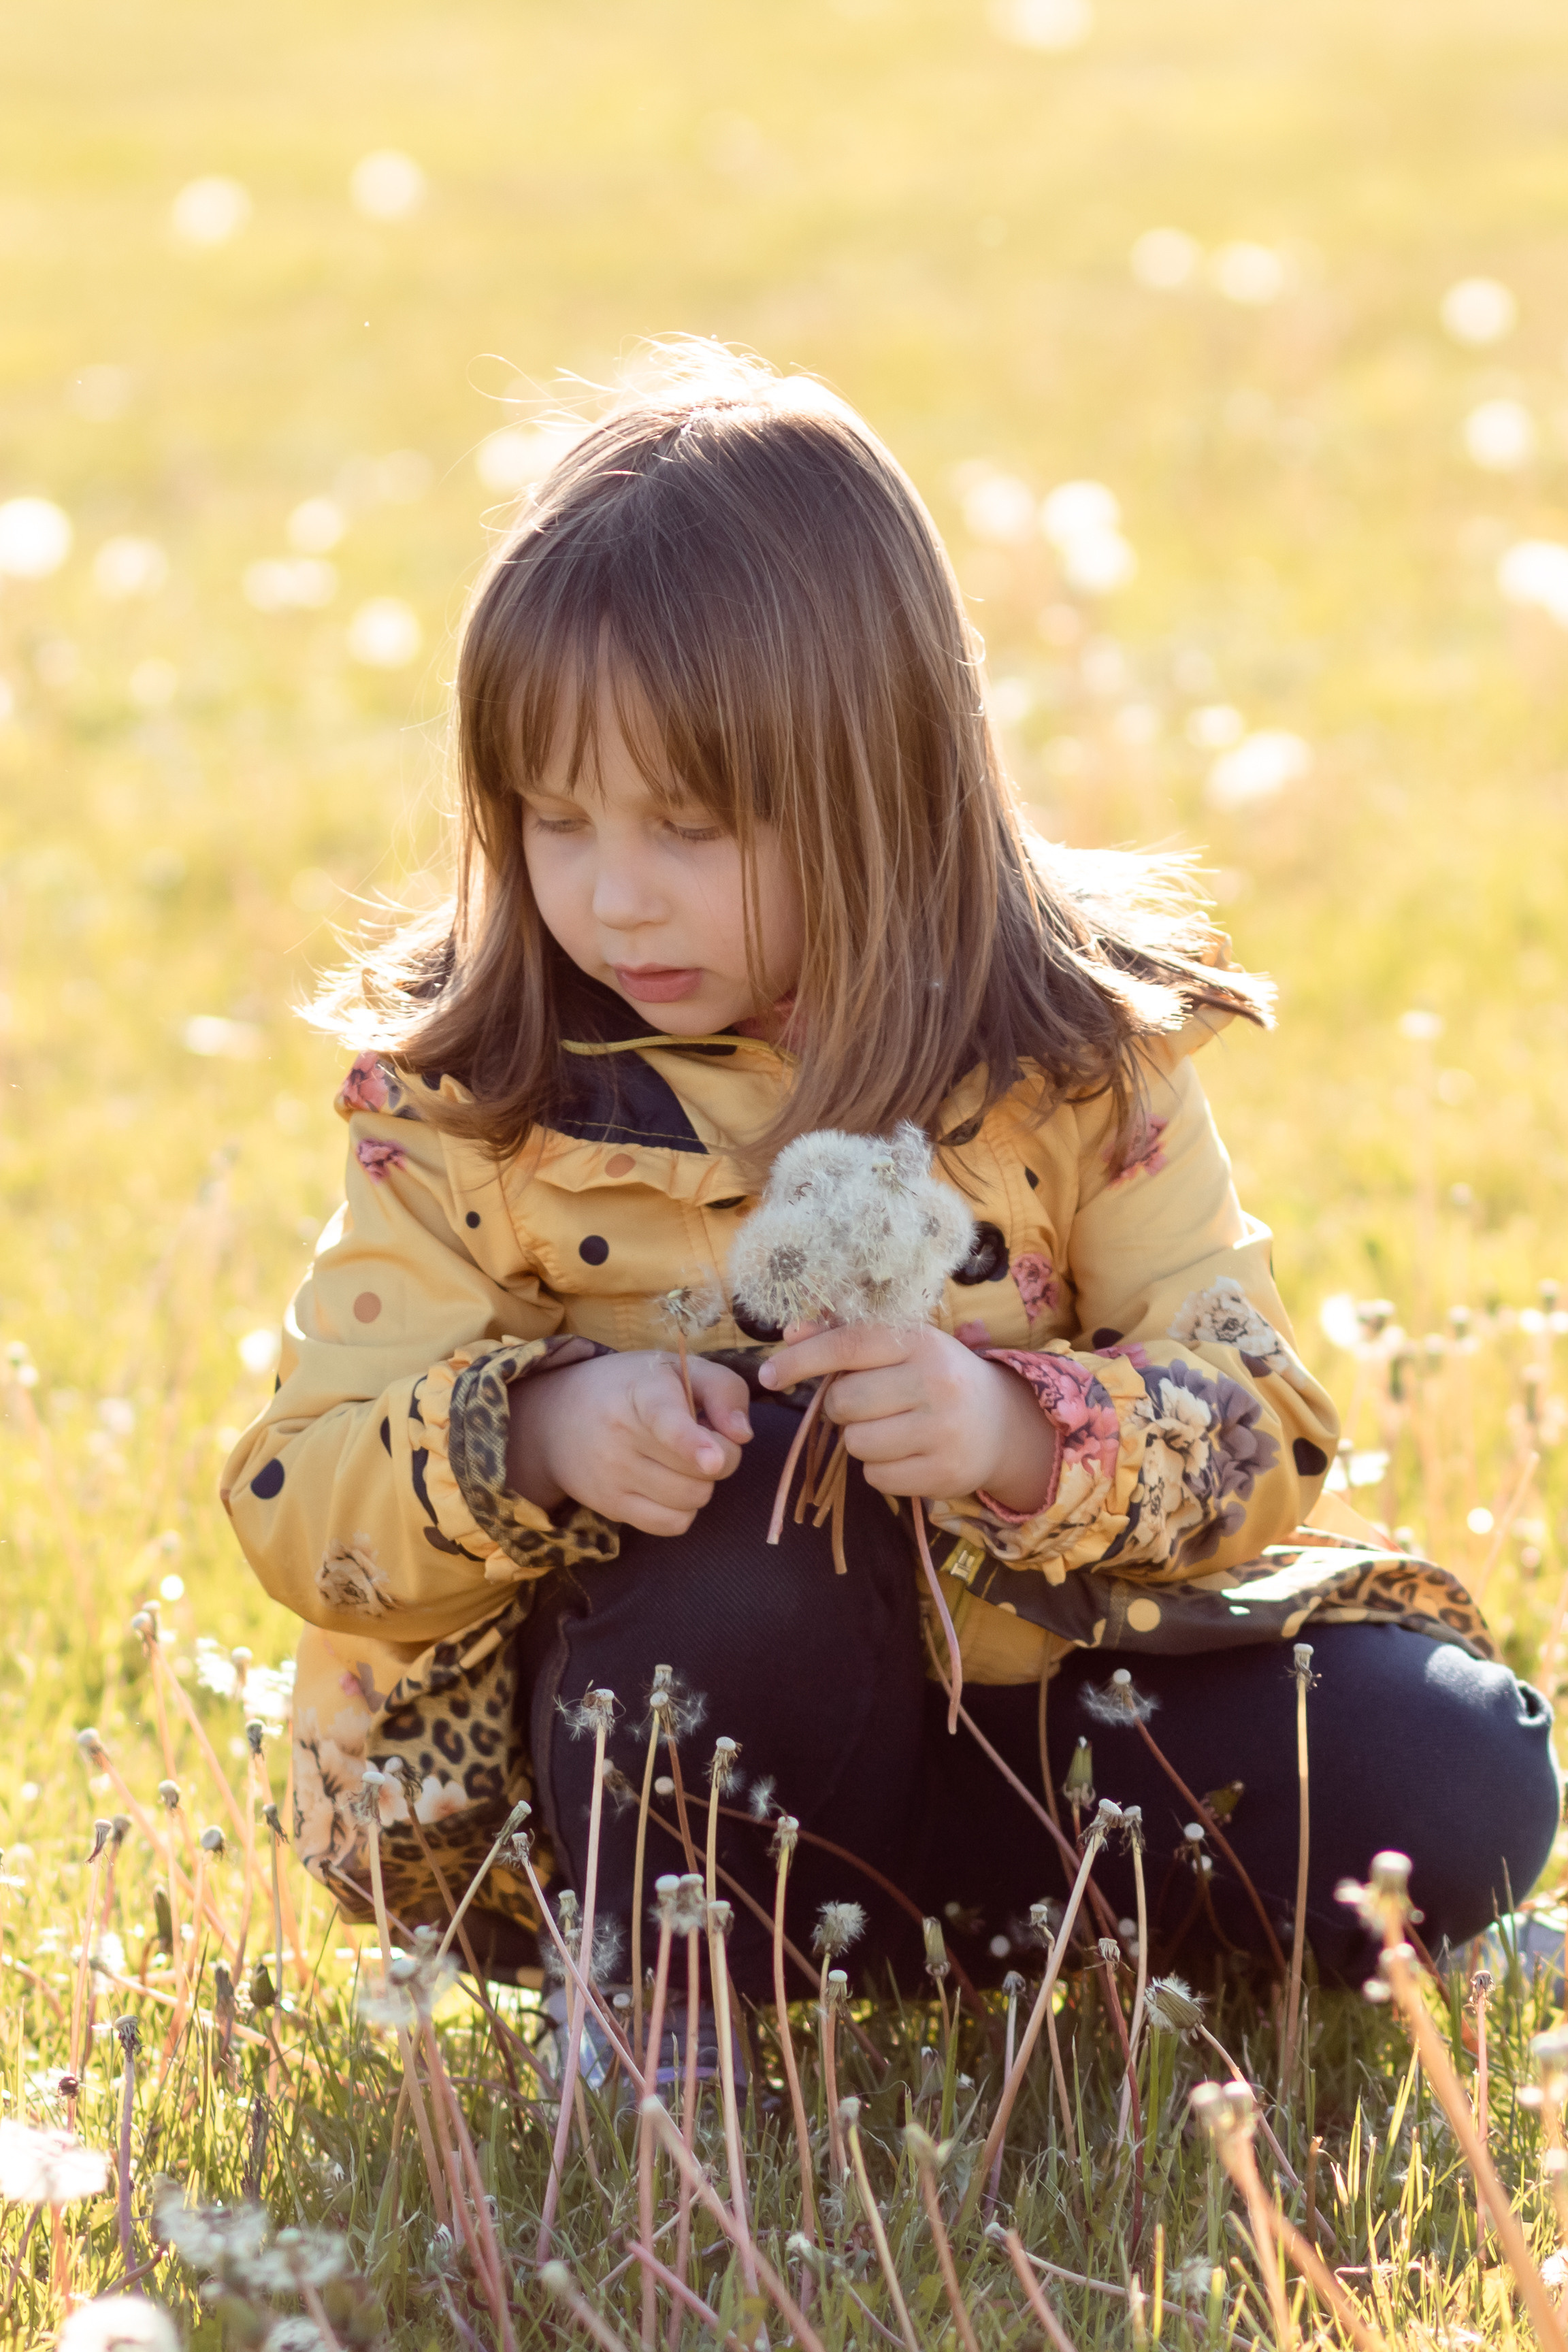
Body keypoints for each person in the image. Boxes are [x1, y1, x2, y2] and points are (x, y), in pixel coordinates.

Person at [223, 345, 1556, 2012]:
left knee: (1449, 1765)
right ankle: (676, 1999)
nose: (614, 898)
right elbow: (300, 1495)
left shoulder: (1076, 1060)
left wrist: (1020, 1433)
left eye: (689, 830)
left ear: (885, 784)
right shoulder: (476, 1106)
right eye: (556, 822)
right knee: (758, 1480)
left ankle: (986, 1947)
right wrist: (547, 1434)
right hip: (640, 1775)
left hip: (1036, 1733)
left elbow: (1259, 1423)